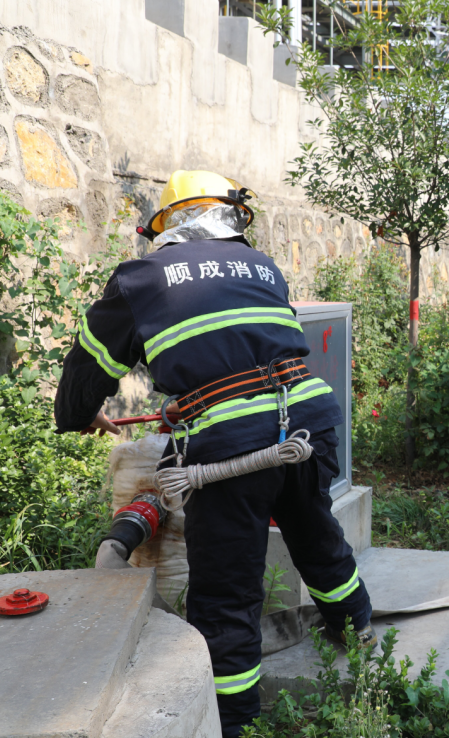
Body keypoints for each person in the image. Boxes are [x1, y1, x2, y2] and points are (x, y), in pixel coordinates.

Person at [53, 170, 375, 737]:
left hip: (230, 442)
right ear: (229, 218)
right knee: (313, 533)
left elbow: (87, 367)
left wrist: (80, 414)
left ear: (169, 224)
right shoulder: (262, 265)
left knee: (226, 590)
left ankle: (234, 723)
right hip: (308, 422)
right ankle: (358, 630)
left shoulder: (141, 278)